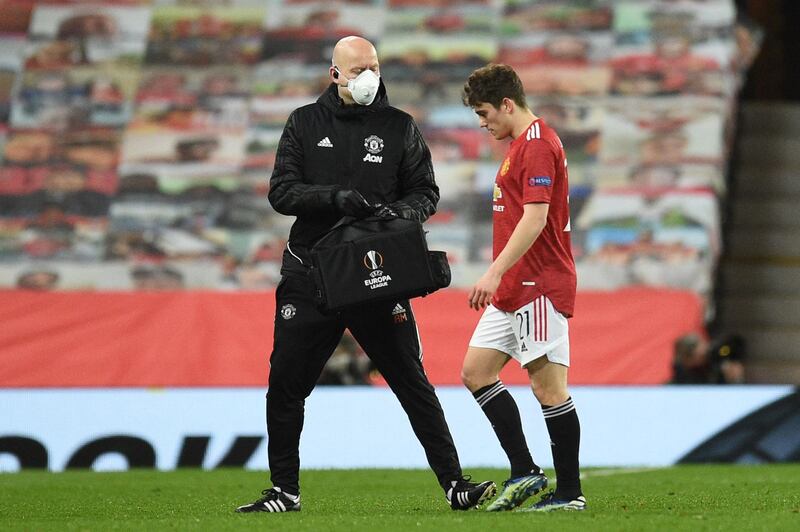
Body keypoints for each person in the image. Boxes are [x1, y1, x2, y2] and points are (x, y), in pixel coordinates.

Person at [236, 36, 495, 514]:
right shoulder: (304, 122)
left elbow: (426, 192)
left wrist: (396, 216)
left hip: (376, 275)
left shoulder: (399, 127)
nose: (368, 77)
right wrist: (335, 198)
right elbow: (281, 192)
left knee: (410, 380)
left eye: (373, 66)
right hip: (311, 271)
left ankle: (455, 484)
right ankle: (284, 491)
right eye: (357, 69)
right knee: (286, 384)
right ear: (334, 74)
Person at [460, 64, 585, 512]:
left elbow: (535, 219)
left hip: (538, 283)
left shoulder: (537, 146)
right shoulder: (521, 146)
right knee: (476, 372)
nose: (482, 122)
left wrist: (493, 272)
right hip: (516, 283)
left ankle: (570, 493)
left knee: (549, 390)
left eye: (484, 112)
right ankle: (526, 471)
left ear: (507, 105)